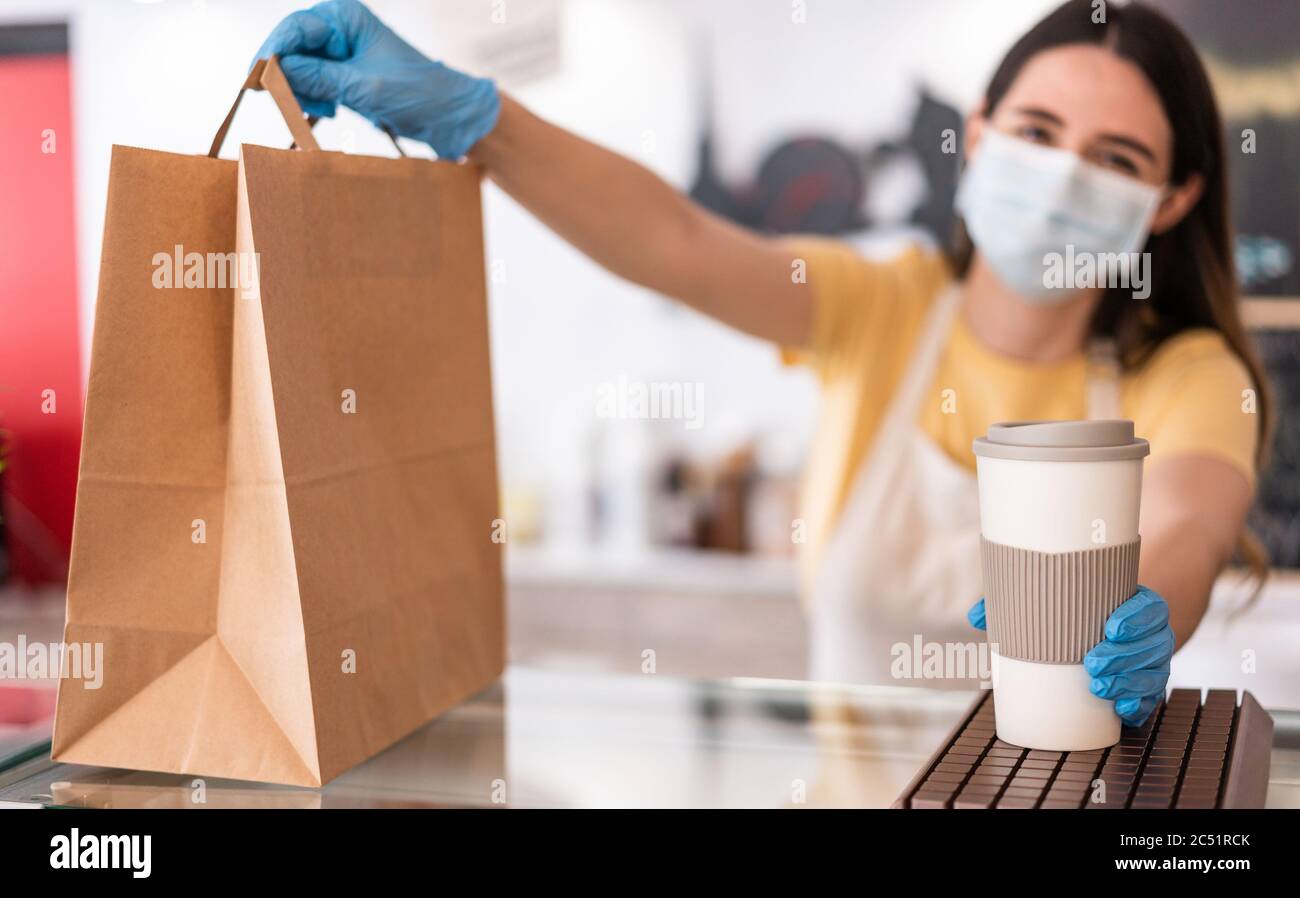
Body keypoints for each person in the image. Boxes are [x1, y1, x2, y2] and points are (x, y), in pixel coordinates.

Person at [256, 0, 1269, 725]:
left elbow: (1184, 523)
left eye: (1115, 161)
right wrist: (472, 115)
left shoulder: (1187, 375)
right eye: (1038, 131)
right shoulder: (883, 307)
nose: (1060, 174)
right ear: (981, 132)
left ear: (1171, 201)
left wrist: (1141, 608)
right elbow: (677, 241)